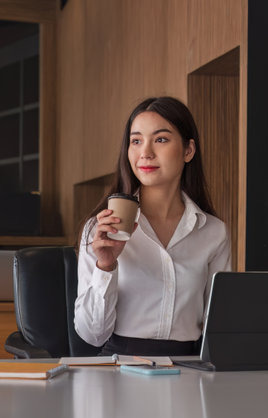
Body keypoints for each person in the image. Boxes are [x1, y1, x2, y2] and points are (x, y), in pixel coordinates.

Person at [74, 96, 231, 356]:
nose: (145, 152)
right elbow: (92, 335)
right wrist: (106, 265)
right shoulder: (101, 228)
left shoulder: (213, 232)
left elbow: (219, 324)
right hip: (119, 369)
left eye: (160, 139)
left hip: (189, 370)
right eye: (136, 141)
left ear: (188, 150)